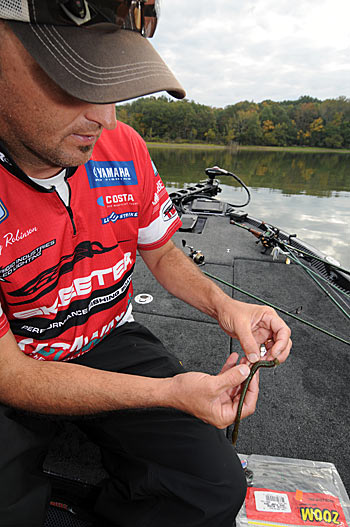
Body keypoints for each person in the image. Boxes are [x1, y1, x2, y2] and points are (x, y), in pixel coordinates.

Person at [0, 1, 292, 526]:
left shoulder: (123, 147)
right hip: (17, 365)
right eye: (78, 78)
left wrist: (227, 307)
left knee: (212, 488)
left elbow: (159, 250)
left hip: (110, 338)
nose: (106, 117)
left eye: (112, 85)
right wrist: (169, 394)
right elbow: (8, 373)